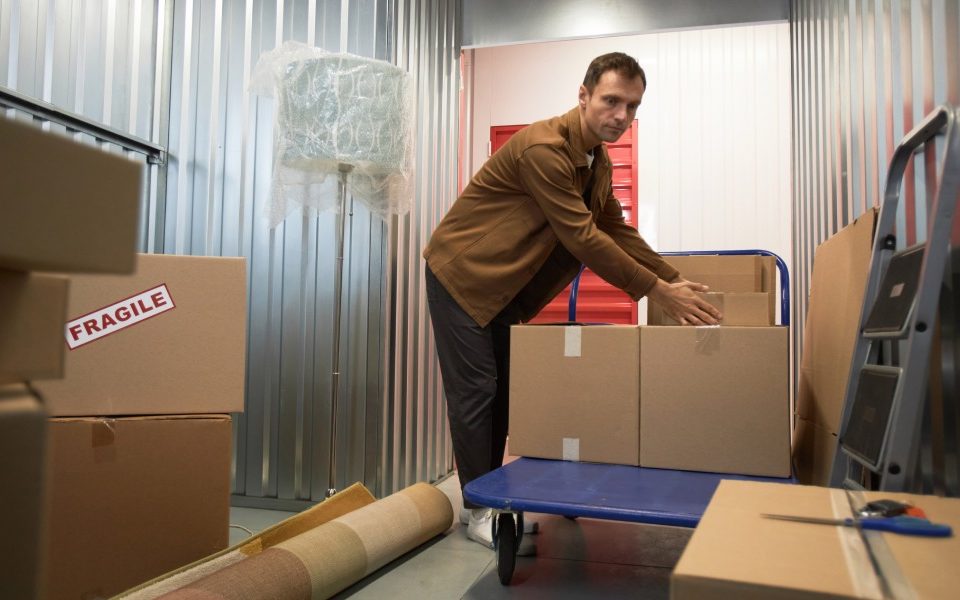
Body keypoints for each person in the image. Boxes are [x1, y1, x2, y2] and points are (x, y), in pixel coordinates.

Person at [422, 52, 721, 548]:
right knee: (476, 393)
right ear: (583, 97)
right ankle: (477, 510)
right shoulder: (544, 149)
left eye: (632, 105)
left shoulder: (596, 162)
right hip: (463, 277)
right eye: (611, 101)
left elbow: (615, 229)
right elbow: (582, 237)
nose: (621, 115)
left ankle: (488, 501)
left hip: (504, 288)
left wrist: (673, 279)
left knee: (501, 392)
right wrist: (655, 290)